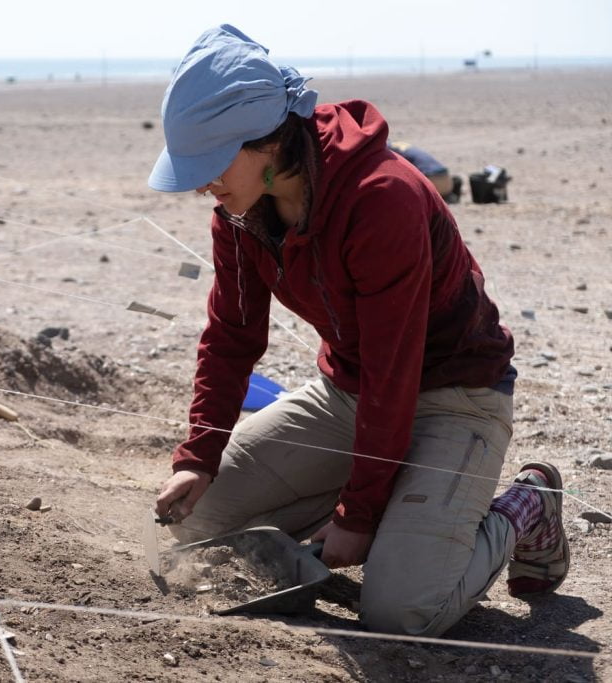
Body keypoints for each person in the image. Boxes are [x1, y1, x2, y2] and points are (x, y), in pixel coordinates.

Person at [148, 25, 569, 637]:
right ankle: (391, 487)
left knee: (400, 611)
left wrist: (360, 513)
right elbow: (231, 336)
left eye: (210, 163)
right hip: (347, 394)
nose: (198, 183)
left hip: (455, 399)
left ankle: (528, 504)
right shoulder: (239, 212)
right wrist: (199, 454)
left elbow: (394, 370)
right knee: (193, 524)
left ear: (265, 141)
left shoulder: (382, 199)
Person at [387, 140, 462, 203]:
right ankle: (447, 195)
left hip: (431, 180)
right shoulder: (399, 144)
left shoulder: (386, 149)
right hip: (446, 178)